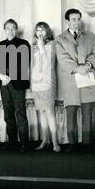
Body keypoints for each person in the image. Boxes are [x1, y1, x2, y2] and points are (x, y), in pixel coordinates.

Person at [55, 8, 95, 152]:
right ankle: (72, 143)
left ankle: (87, 143)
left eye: (78, 19)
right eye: (73, 19)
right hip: (71, 81)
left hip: (87, 78)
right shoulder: (60, 39)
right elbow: (63, 59)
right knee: (71, 113)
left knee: (87, 112)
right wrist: (77, 68)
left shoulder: (90, 36)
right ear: (68, 21)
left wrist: (88, 65)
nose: (76, 22)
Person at [0, 19, 31, 152]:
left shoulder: (23, 44)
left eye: (13, 28)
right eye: (8, 28)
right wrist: (1, 76)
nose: (10, 31)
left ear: (16, 30)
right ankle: (12, 142)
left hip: (17, 83)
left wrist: (10, 76)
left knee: (20, 113)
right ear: (4, 30)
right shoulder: (0, 45)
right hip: (4, 84)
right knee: (8, 114)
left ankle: (24, 143)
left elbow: (25, 63)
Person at [31, 22, 60, 152]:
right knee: (41, 112)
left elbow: (50, 63)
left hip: (48, 82)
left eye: (42, 30)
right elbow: (32, 66)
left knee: (49, 111)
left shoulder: (52, 44)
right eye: (38, 30)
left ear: (47, 32)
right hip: (36, 83)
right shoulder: (33, 47)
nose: (40, 33)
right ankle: (44, 140)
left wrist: (41, 47)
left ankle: (55, 142)